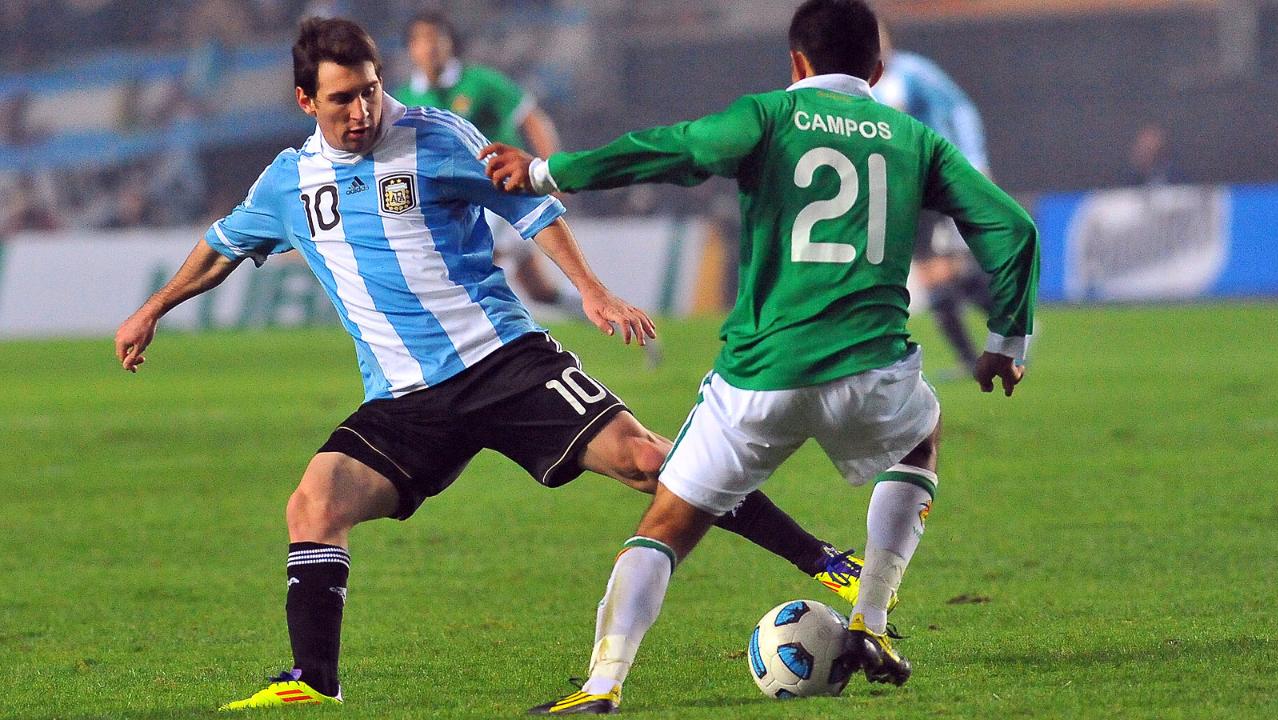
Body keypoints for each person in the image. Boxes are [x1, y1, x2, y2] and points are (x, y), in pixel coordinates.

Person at [113, 17, 876, 711]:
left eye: (370, 90)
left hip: (502, 360)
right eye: (343, 98)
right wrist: (154, 309)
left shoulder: (435, 136)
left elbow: (531, 207)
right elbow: (221, 246)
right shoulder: (288, 182)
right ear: (305, 100)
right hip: (404, 399)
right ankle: (312, 682)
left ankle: (826, 562)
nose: (363, 110)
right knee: (314, 505)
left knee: (649, 461)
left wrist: (592, 291)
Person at [483, 0, 1038, 713]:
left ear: (796, 63)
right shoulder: (914, 140)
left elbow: (678, 150)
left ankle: (602, 684)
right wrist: (1006, 342)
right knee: (919, 440)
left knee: (667, 525)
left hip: (761, 377)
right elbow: (1011, 226)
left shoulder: (770, 115)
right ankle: (870, 618)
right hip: (872, 372)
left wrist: (544, 171)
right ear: (876, 69)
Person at [392, 10, 572, 314]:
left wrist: (552, 171)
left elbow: (531, 118)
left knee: (474, 267)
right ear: (411, 49)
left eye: (437, 38)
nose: (430, 46)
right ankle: (603, 314)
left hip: (500, 190)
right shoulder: (404, 98)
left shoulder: (480, 82)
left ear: (451, 43)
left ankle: (500, 332)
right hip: (453, 202)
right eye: (421, 40)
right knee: (540, 291)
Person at [876, 24, 1000, 377]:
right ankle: (978, 354)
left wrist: (975, 161)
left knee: (940, 272)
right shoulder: (862, 86)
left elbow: (959, 108)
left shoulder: (914, 72)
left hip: (936, 183)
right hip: (901, 193)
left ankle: (1011, 327)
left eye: (880, 36)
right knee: (939, 275)